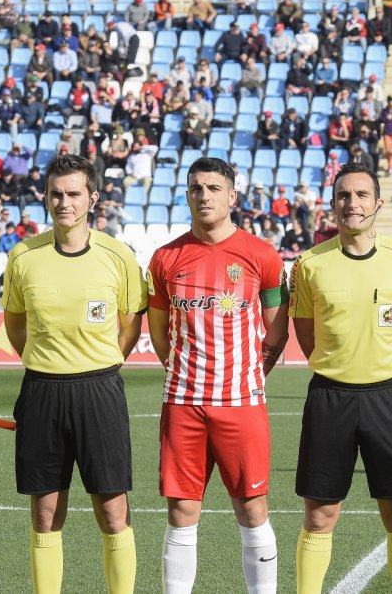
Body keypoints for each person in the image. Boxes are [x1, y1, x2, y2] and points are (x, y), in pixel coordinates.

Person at [1, 154, 146, 594]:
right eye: (56, 194)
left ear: (93, 198)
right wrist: (49, 361)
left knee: (112, 512)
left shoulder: (117, 256)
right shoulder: (23, 256)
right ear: (45, 197)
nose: (64, 202)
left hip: (99, 390)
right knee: (45, 514)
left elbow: (130, 324)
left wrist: (101, 362)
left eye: (73, 194)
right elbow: (15, 325)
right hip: (42, 391)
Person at [289, 163, 392, 594]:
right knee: (319, 516)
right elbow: (305, 331)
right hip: (329, 397)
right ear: (332, 204)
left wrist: (383, 363)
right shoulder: (309, 263)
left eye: (361, 195)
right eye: (343, 196)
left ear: (378, 203)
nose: (351, 204)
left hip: (389, 398)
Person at [146, 157, 289, 594]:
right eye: (195, 188)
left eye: (212, 187)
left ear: (232, 195)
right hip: (183, 403)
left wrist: (248, 373)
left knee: (252, 507)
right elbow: (159, 333)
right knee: (181, 510)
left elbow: (276, 330)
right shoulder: (166, 257)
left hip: (241, 403)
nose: (203, 195)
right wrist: (185, 373)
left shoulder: (261, 255)